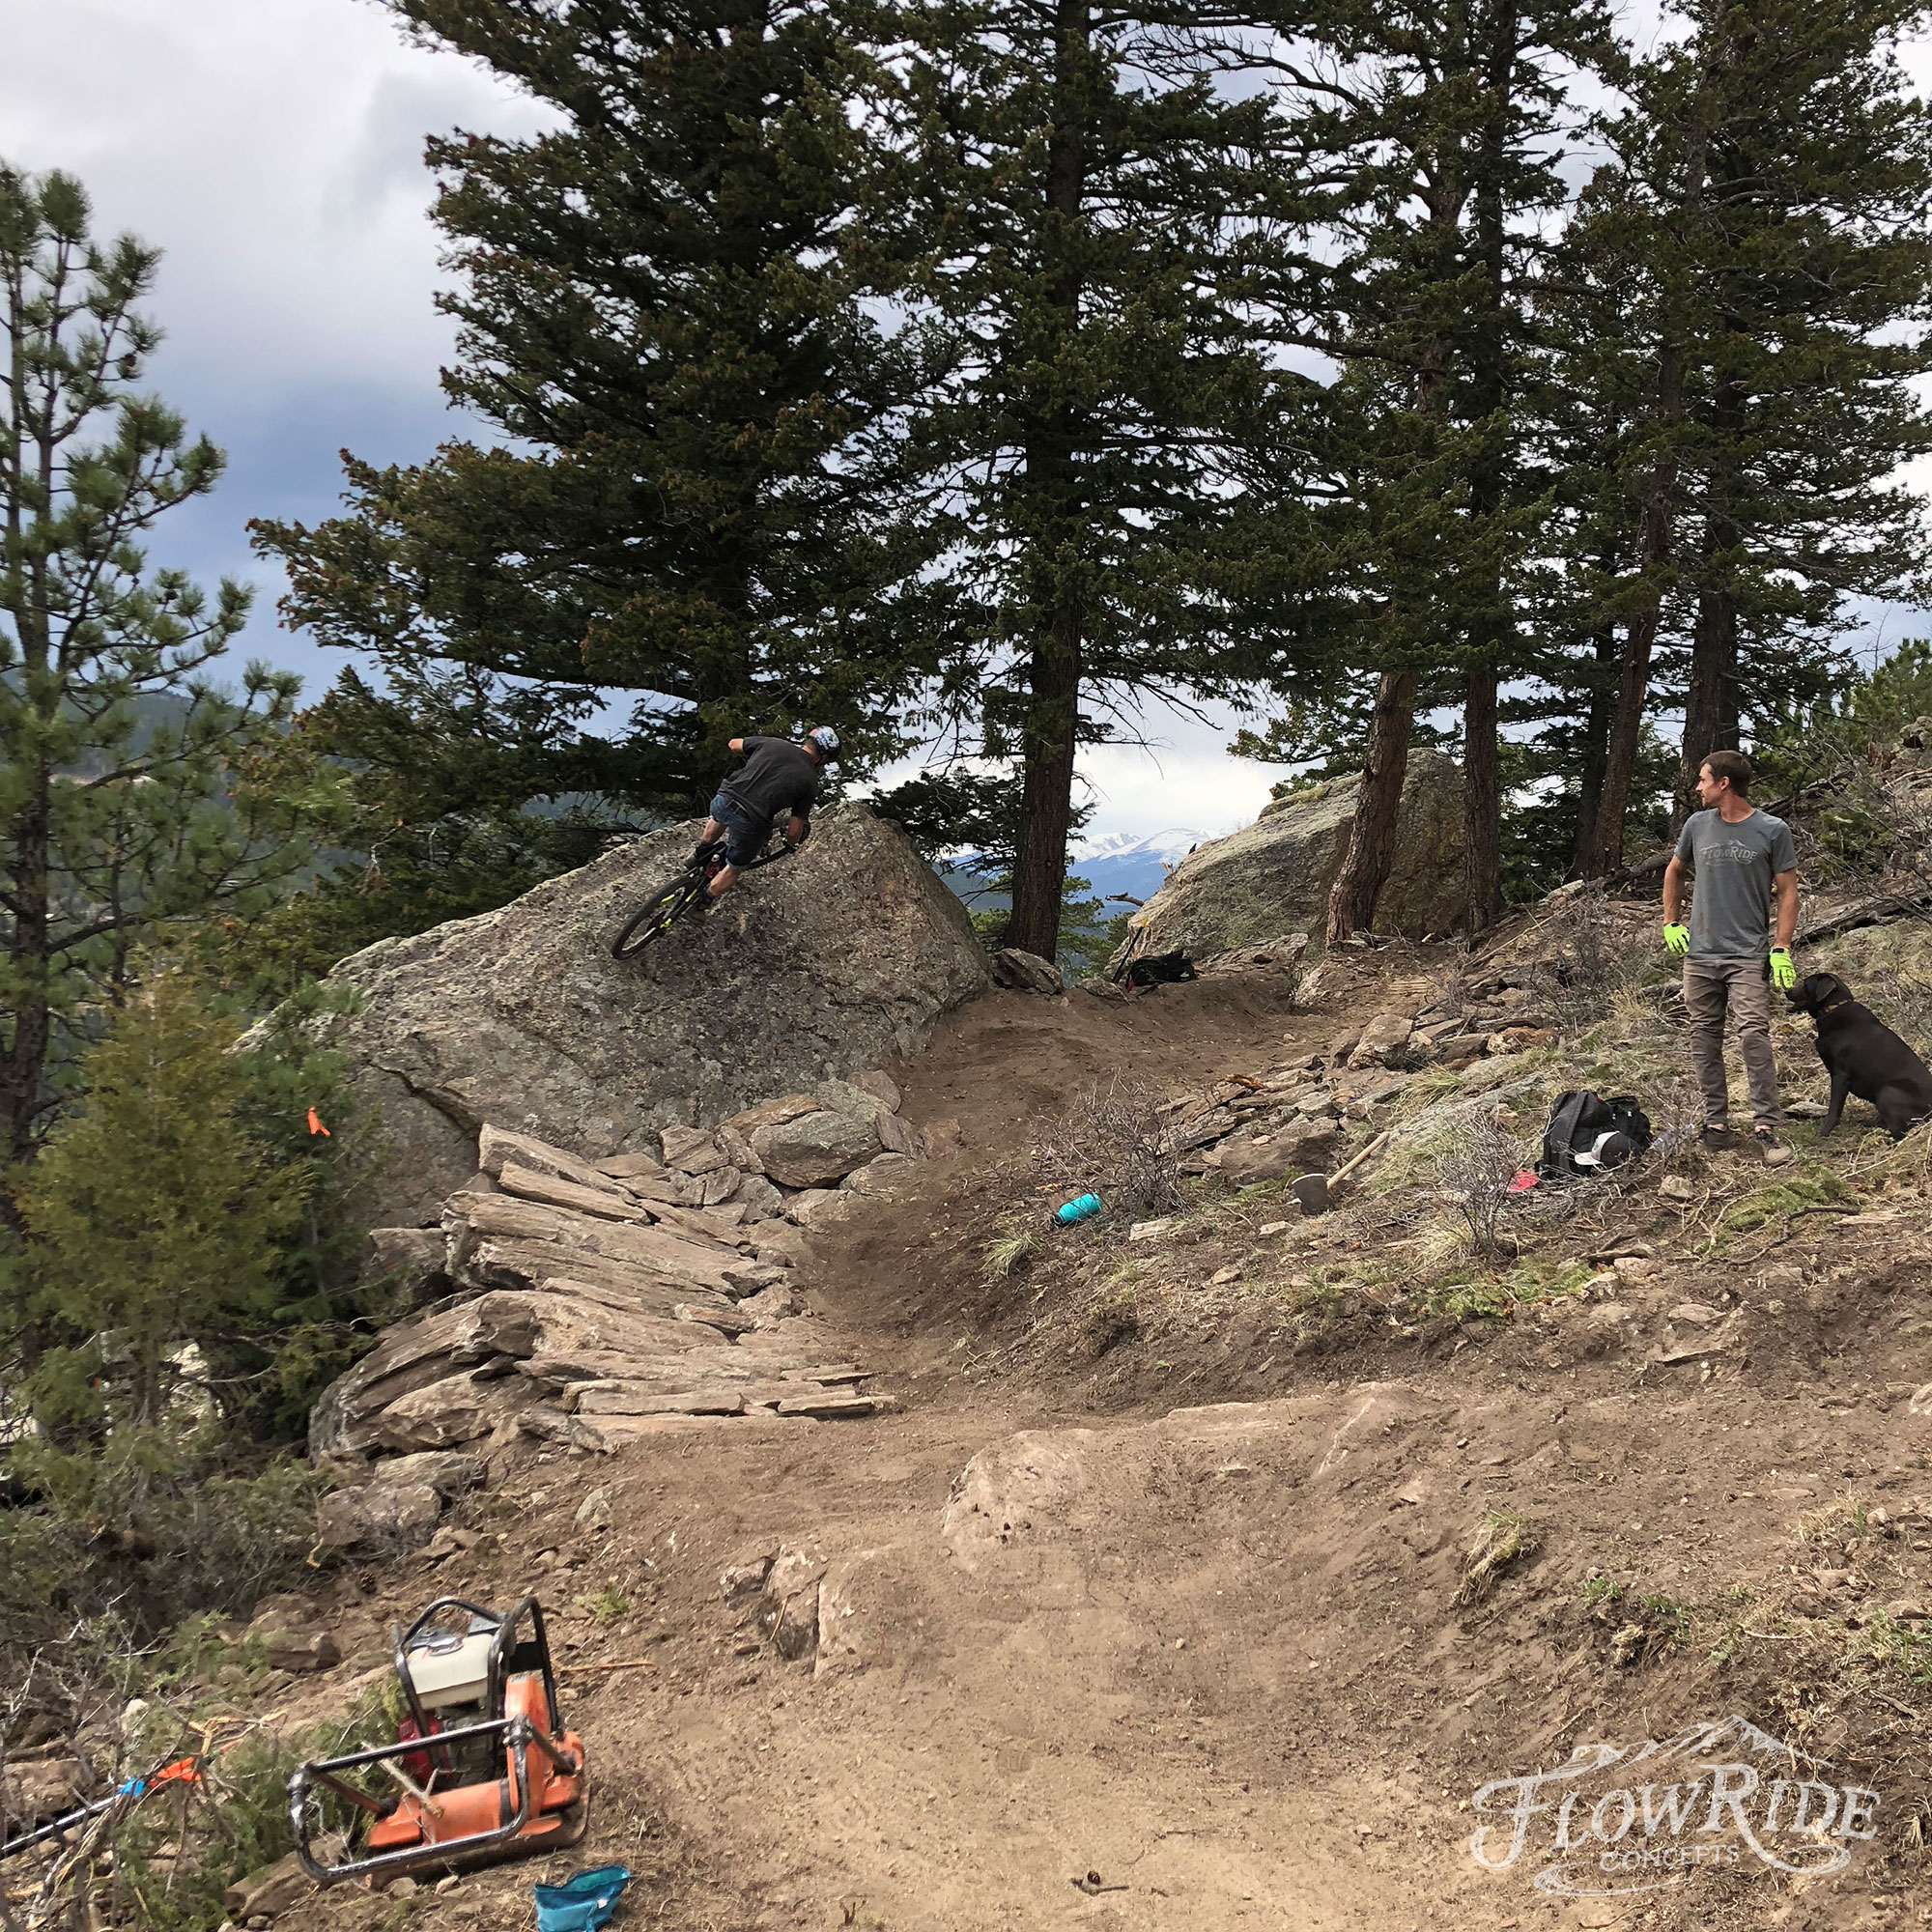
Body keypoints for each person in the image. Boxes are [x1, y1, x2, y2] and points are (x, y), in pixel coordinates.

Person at [1660, 749, 1800, 1154]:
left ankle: (1765, 1126)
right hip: (1700, 954)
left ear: (1724, 784)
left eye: (1703, 779)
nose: (1697, 787)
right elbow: (1674, 870)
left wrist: (1781, 947)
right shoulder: (1697, 825)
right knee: (1703, 1037)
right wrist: (1671, 922)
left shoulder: (1772, 830)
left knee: (1753, 1033)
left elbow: (1788, 892)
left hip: (1748, 954)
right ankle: (1715, 1123)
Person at [695, 725, 838, 904]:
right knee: (734, 867)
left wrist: (755, 760)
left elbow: (733, 744)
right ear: (823, 756)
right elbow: (794, 831)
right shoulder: (809, 781)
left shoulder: (773, 743)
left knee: (718, 817)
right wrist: (791, 845)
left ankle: (699, 854)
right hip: (751, 821)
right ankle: (701, 904)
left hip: (724, 798)